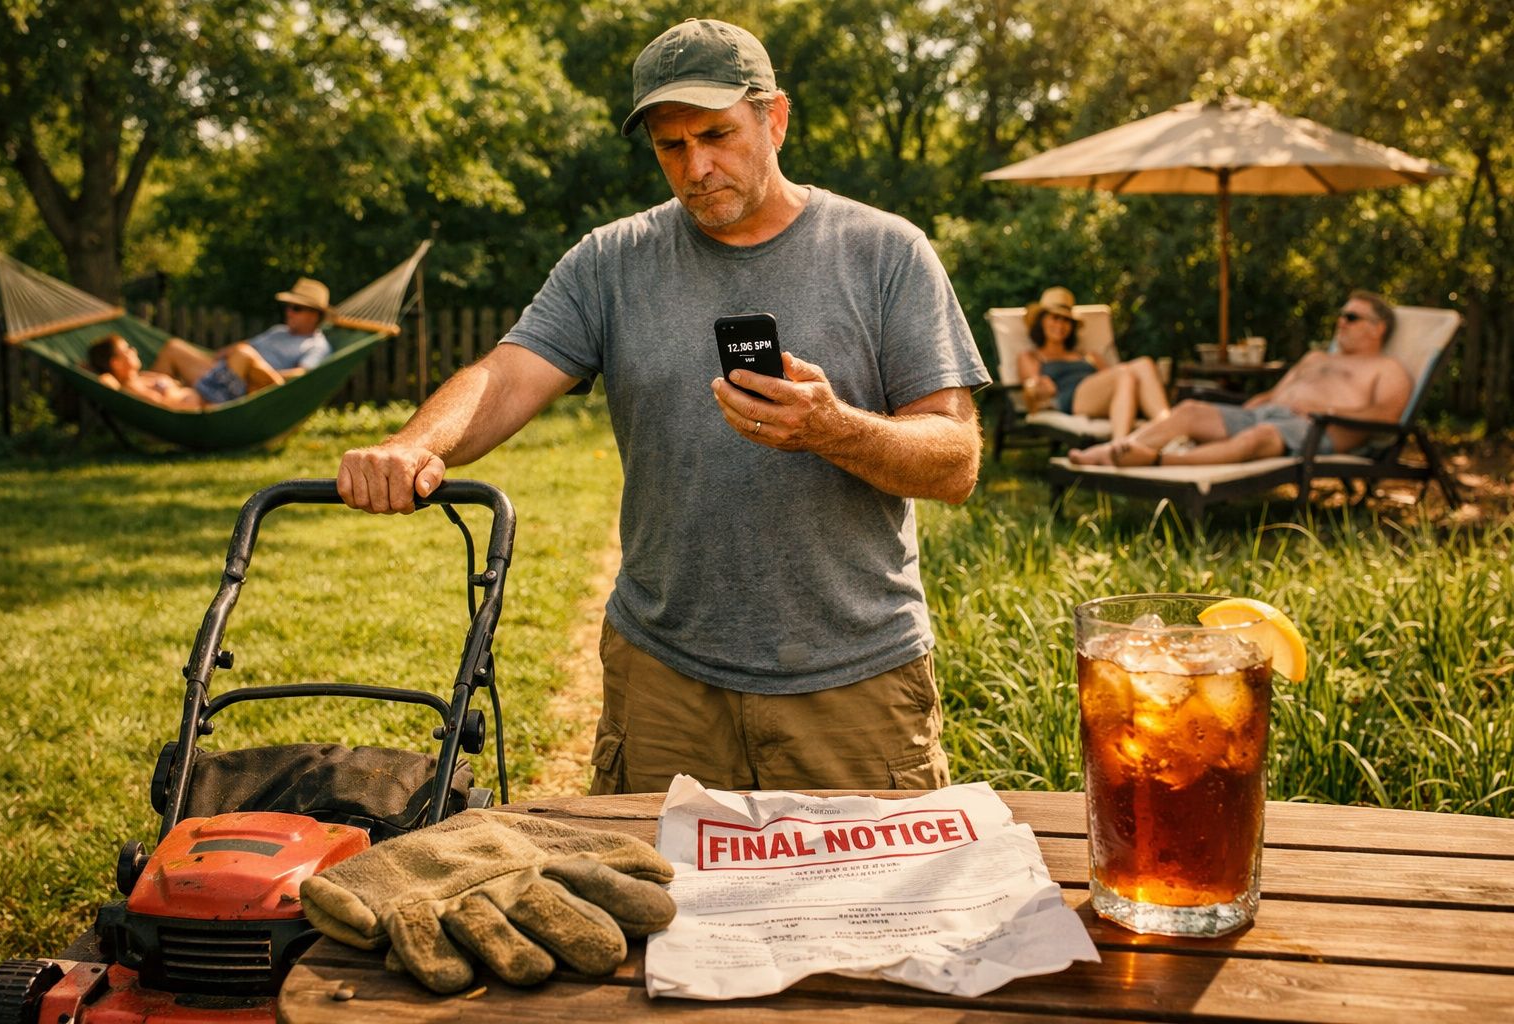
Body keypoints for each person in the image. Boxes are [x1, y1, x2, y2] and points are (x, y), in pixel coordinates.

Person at [337, 18, 991, 796]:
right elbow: (508, 375)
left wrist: (830, 428)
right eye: (671, 146)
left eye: (718, 135)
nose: (698, 166)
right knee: (653, 910)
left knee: (865, 914)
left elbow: (955, 461)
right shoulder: (611, 261)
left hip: (852, 681)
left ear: (774, 117)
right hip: (665, 680)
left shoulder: (886, 252)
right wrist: (417, 444)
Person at [1069, 290, 1411, 467]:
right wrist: (1250, 407)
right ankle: (1111, 450)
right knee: (1189, 409)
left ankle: (1158, 460)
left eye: (1351, 317)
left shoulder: (1388, 369)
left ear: (1377, 328)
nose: (1341, 323)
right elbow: (1276, 392)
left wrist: (1325, 407)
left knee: (1258, 437)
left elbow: (1386, 417)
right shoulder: (1317, 356)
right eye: (1341, 316)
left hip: (1313, 430)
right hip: (1264, 415)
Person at [1018, 286, 1170, 440]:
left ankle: (1166, 424)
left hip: (1103, 396)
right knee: (1124, 374)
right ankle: (1120, 445)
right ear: (1041, 321)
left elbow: (1111, 379)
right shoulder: (1032, 356)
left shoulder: (1088, 355)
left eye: (1066, 320)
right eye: (1055, 318)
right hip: (1073, 398)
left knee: (1144, 363)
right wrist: (1039, 388)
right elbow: (1032, 386)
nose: (1060, 325)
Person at [150, 277, 333, 405]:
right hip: (226, 373)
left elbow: (303, 375)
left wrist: (254, 371)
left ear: (315, 315)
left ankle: (188, 403)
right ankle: (144, 397)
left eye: (296, 308)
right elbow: (244, 346)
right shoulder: (278, 331)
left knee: (243, 354)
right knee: (173, 348)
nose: (289, 312)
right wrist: (214, 357)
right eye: (288, 307)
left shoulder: (317, 345)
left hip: (254, 388)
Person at [87, 333, 207, 410]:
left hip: (205, 394)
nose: (133, 350)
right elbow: (161, 406)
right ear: (116, 363)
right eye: (127, 350)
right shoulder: (130, 388)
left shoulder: (143, 376)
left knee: (174, 346)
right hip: (206, 406)